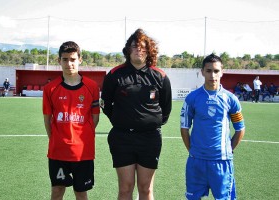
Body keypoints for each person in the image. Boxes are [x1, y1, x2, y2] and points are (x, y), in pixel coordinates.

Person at [101, 28, 172, 200]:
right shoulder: (114, 75)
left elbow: (166, 108)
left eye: (142, 46)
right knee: (125, 188)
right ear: (128, 50)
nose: (139, 49)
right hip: (122, 138)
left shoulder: (160, 76)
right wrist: (121, 121)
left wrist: (149, 123)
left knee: (146, 189)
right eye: (134, 46)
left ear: (149, 50)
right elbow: (106, 104)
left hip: (150, 139)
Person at [180, 54, 245, 200]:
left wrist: (229, 149)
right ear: (202, 72)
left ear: (222, 72)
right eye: (208, 71)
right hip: (196, 161)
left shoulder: (231, 99)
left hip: (222, 162)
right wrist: (192, 150)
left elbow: (240, 129)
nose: (212, 75)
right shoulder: (192, 98)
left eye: (216, 71)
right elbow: (184, 128)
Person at [42, 41, 100, 200]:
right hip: (58, 150)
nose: (69, 63)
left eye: (73, 59)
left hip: (83, 151)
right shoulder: (50, 89)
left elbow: (95, 118)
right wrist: (57, 139)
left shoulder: (92, 86)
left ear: (80, 60)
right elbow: (47, 119)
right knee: (57, 190)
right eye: (65, 59)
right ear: (59, 60)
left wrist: (82, 135)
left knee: (81, 192)